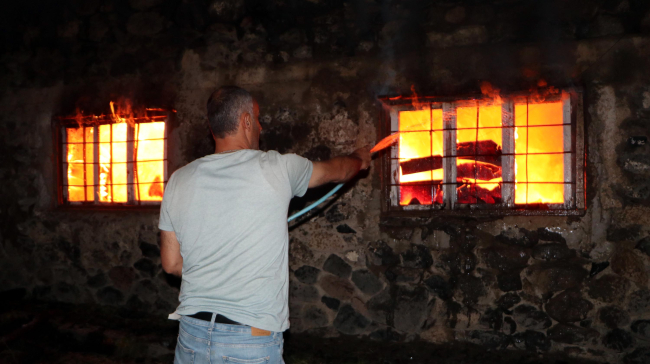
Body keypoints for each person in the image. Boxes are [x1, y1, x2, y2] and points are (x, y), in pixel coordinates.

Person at [158, 86, 370, 364]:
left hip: (192, 336)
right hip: (249, 339)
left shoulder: (178, 180)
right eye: (257, 119)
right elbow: (337, 170)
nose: (259, 126)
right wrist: (359, 158)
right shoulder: (276, 167)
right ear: (246, 121)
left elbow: (171, 264)